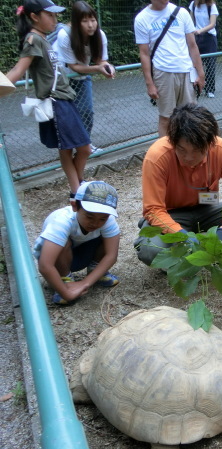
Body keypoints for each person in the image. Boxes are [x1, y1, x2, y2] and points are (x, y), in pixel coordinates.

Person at [134, 104, 222, 266]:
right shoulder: (157, 157)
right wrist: (182, 235)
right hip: (171, 213)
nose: (188, 157)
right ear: (172, 141)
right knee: (151, 250)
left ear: (210, 142)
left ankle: (213, 249)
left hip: (206, 207)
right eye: (181, 150)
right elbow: (154, 209)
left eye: (197, 150)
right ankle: (186, 247)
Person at [6, 0, 91, 199]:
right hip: (56, 101)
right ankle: (76, 190)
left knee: (75, 147)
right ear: (34, 17)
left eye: (55, 15)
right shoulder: (33, 39)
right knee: (80, 147)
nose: (55, 19)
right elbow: (19, 69)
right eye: (50, 15)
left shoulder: (43, 38)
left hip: (64, 99)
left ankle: (77, 187)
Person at [33, 181, 120, 305]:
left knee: (109, 238)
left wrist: (85, 283)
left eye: (102, 218)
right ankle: (65, 280)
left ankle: (95, 270)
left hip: (84, 251)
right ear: (74, 206)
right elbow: (45, 265)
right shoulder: (62, 221)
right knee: (62, 242)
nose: (95, 223)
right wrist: (66, 293)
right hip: (60, 258)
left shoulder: (108, 220)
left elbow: (111, 255)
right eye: (90, 217)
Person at [134, 0, 205, 137]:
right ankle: (166, 155)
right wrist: (149, 83)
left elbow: (192, 45)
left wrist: (200, 74)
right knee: (166, 117)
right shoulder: (142, 19)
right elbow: (144, 53)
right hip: (162, 72)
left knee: (190, 117)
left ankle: (189, 153)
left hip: (186, 70)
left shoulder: (182, 13)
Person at [56, 1, 115, 154]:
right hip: (62, 78)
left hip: (83, 75)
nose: (90, 25)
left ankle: (85, 144)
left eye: (93, 20)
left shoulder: (99, 35)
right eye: (85, 21)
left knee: (86, 111)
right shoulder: (65, 36)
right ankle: (68, 147)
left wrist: (108, 67)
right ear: (76, 22)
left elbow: (101, 60)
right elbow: (73, 66)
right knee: (67, 115)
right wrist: (97, 68)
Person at [189, 0, 219, 98]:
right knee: (195, 63)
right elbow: (190, 21)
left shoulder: (211, 6)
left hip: (209, 37)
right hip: (197, 37)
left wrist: (200, 31)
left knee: (210, 63)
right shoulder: (193, 5)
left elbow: (212, 24)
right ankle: (197, 87)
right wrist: (193, 32)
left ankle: (210, 89)